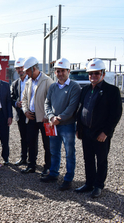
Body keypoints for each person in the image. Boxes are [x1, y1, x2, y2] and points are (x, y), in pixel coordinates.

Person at [75, 59, 122, 198]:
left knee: (101, 160)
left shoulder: (112, 91)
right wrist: (79, 128)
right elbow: (80, 110)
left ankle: (98, 185)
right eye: (90, 73)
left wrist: (106, 132)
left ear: (103, 73)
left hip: (100, 133)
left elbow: (116, 114)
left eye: (96, 73)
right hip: (86, 131)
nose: (93, 76)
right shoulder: (85, 90)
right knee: (88, 159)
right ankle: (89, 183)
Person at [41, 58, 81, 191]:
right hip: (54, 125)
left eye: (63, 70)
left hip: (67, 125)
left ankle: (68, 179)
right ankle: (53, 174)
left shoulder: (75, 87)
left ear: (68, 71)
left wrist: (59, 118)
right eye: (58, 71)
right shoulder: (53, 86)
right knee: (54, 151)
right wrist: (52, 117)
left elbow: (72, 107)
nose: (60, 73)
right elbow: (47, 103)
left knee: (69, 153)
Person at [21, 56, 53, 176]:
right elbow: (24, 99)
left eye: (28, 71)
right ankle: (31, 165)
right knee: (31, 142)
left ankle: (48, 167)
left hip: (45, 119)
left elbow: (52, 101)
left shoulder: (47, 81)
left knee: (47, 144)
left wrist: (47, 115)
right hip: (31, 117)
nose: (26, 73)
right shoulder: (28, 82)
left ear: (34, 69)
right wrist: (25, 111)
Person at [11, 57, 29, 166]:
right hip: (20, 114)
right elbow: (12, 97)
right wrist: (15, 103)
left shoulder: (32, 80)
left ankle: (32, 159)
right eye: (17, 68)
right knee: (23, 137)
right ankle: (23, 158)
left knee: (32, 137)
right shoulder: (15, 83)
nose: (20, 70)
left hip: (30, 114)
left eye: (21, 67)